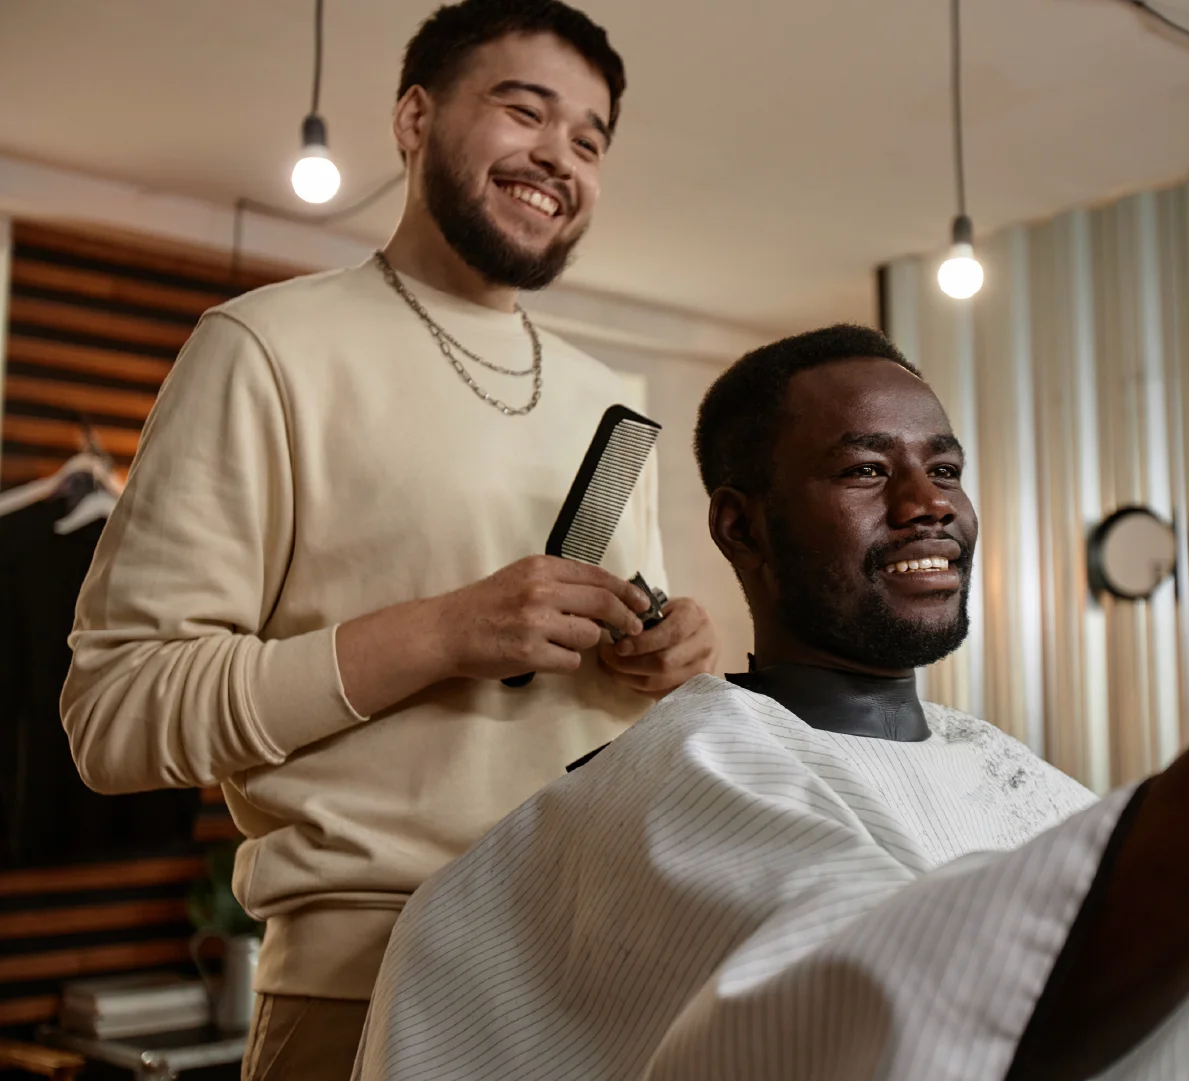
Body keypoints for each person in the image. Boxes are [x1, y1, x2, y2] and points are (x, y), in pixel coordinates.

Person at [354, 324, 1189, 1080]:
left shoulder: (996, 766)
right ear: (738, 526)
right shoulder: (699, 773)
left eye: (944, 466)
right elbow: (931, 1016)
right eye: (865, 470)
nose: (927, 500)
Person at [59, 2, 719, 1077]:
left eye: (590, 139)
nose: (559, 155)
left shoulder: (609, 400)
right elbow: (115, 716)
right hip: (362, 987)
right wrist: (449, 630)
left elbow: (574, 720)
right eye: (525, 110)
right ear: (415, 118)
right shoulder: (263, 348)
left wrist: (663, 663)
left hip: (599, 972)